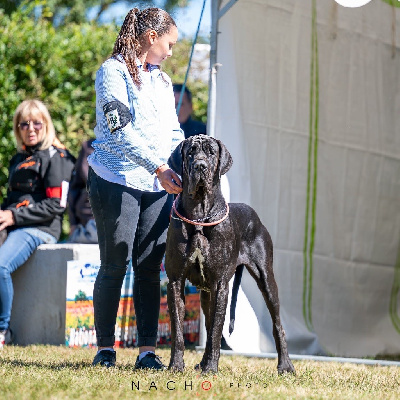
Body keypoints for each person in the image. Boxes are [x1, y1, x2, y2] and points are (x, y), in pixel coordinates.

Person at [87, 7, 184, 369]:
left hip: (157, 183)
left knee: (149, 266)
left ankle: (147, 352)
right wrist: (157, 166)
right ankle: (105, 350)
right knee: (115, 264)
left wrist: (180, 162)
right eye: (170, 43)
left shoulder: (161, 81)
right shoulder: (111, 71)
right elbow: (119, 128)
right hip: (116, 179)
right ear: (151, 37)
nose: (172, 52)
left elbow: (173, 131)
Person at [0, 99, 75, 349]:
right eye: (24, 124)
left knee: (0, 267)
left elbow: (56, 206)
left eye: (36, 123)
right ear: (17, 128)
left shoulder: (57, 157)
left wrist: (14, 217)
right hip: (13, 225)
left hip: (40, 229)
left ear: (46, 125)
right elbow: (11, 200)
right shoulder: (18, 158)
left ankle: (3, 332)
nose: (30, 129)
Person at [67, 138, 98, 244]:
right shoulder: (88, 147)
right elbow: (74, 187)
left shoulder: (133, 146)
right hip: (88, 222)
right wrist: (73, 223)